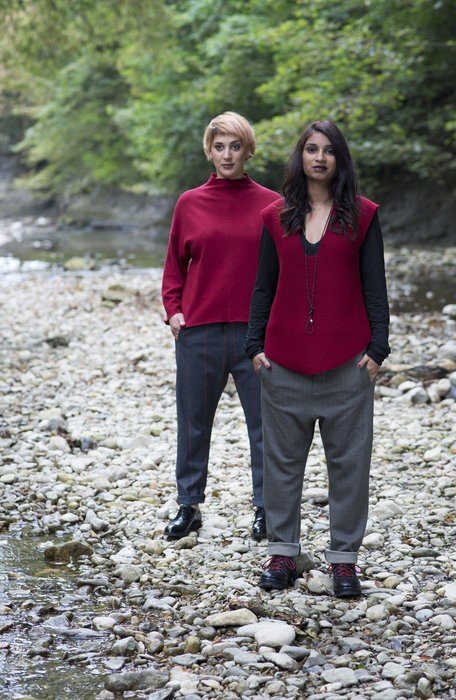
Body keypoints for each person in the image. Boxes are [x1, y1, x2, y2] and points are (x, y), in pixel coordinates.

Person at [245, 120, 390, 597]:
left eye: (328, 150)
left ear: (339, 159)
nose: (320, 157)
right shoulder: (275, 216)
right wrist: (254, 347)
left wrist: (378, 350)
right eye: (311, 149)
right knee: (282, 464)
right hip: (282, 364)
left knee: (349, 466)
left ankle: (344, 562)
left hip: (348, 366)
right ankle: (282, 554)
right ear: (301, 157)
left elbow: (375, 286)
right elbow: (263, 286)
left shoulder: (362, 215)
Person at [162, 111, 280, 540]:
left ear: (248, 151)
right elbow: (174, 266)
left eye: (235, 146)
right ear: (209, 151)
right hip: (199, 332)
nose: (227, 155)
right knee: (193, 422)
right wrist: (174, 310)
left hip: (256, 334)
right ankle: (188, 505)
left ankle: (267, 508)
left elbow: (283, 270)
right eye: (219, 146)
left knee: (265, 426)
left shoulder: (272, 204)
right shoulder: (189, 203)